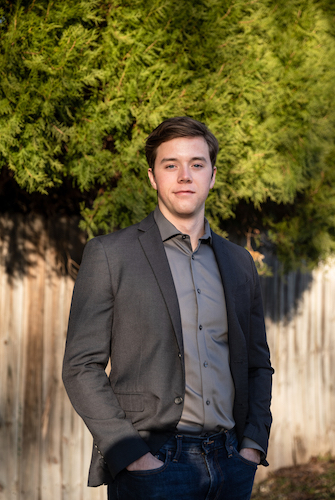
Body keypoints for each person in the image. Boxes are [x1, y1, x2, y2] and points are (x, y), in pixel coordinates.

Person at [62, 116, 273, 500]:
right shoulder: (111, 254)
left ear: (212, 175)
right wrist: (131, 455)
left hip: (232, 462)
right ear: (152, 177)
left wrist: (253, 444)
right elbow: (80, 367)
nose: (184, 176)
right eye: (170, 165)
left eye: (196, 164)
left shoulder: (240, 262)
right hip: (153, 467)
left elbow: (257, 364)